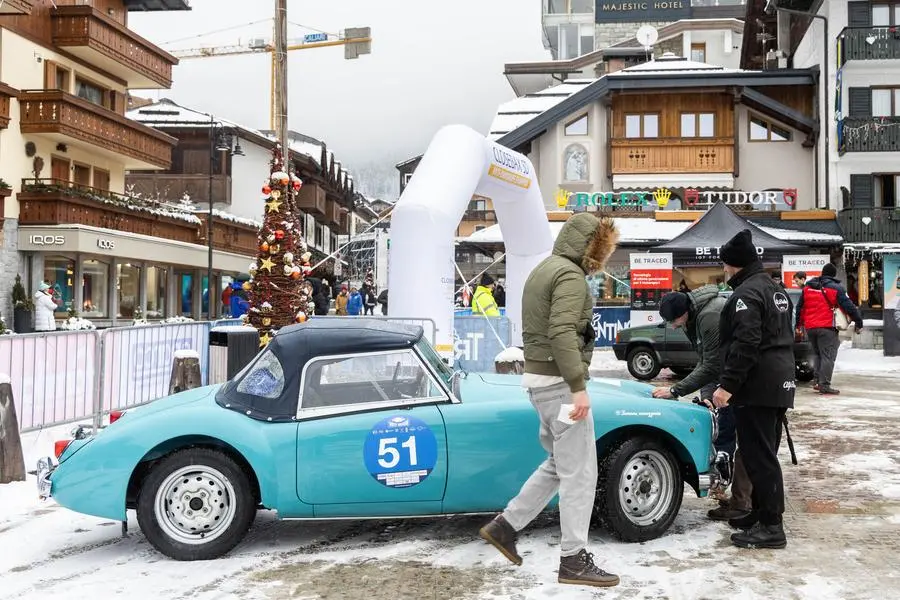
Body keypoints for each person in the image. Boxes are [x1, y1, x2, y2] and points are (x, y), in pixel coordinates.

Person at [479, 213, 620, 588]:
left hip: (540, 384)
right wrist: (578, 386)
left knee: (560, 465)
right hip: (560, 386)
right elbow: (560, 330)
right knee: (581, 473)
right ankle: (573, 559)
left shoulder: (545, 269)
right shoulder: (571, 277)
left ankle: (505, 526)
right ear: (593, 247)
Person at [712, 229, 795, 550]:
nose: (723, 270)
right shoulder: (774, 290)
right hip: (778, 382)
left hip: (758, 385)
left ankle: (772, 527)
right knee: (762, 453)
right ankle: (761, 514)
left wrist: (727, 386)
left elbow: (747, 343)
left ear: (734, 265)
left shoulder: (746, 294)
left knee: (759, 457)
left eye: (725, 265)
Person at [795, 262, 863, 395]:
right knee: (828, 356)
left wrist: (799, 325)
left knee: (817, 354)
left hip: (810, 328)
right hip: (826, 327)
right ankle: (824, 385)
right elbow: (849, 307)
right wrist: (858, 322)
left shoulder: (808, 287)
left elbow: (800, 307)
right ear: (833, 275)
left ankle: (817, 382)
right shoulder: (836, 288)